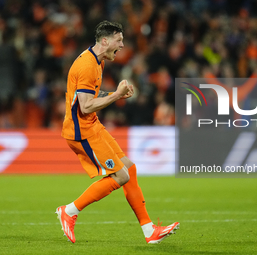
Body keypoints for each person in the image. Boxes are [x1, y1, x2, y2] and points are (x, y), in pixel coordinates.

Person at [56, 20, 179, 244]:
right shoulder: (87, 66)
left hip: (91, 125)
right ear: (105, 40)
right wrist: (116, 96)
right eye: (119, 40)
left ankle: (149, 231)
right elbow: (84, 106)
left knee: (129, 169)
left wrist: (116, 93)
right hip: (81, 131)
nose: (122, 45)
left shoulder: (96, 61)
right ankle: (70, 211)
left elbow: (89, 94)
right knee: (120, 175)